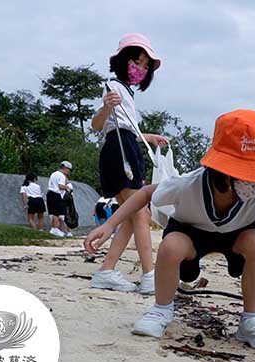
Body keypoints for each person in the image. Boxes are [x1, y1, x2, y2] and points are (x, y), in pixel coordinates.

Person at [85, 109, 255, 350]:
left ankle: (251, 321)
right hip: (190, 234)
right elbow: (144, 194)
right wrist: (109, 225)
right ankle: (161, 310)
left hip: (236, 239)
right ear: (220, 169)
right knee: (171, 245)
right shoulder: (189, 185)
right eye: (247, 172)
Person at [89, 33, 168, 295]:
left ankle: (107, 270)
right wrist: (106, 108)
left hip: (128, 147)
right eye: (138, 62)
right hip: (119, 152)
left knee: (133, 217)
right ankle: (149, 275)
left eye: (146, 66)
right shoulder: (113, 86)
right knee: (140, 214)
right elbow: (98, 125)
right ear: (124, 60)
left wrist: (147, 137)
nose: (141, 69)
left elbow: (126, 130)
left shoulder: (127, 92)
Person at [46, 161, 73, 237]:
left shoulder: (53, 174)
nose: (69, 171)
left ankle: (54, 228)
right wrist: (67, 188)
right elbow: (60, 186)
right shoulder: (62, 176)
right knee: (57, 213)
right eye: (69, 169)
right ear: (65, 168)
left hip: (50, 193)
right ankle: (55, 228)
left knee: (53, 212)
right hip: (56, 194)